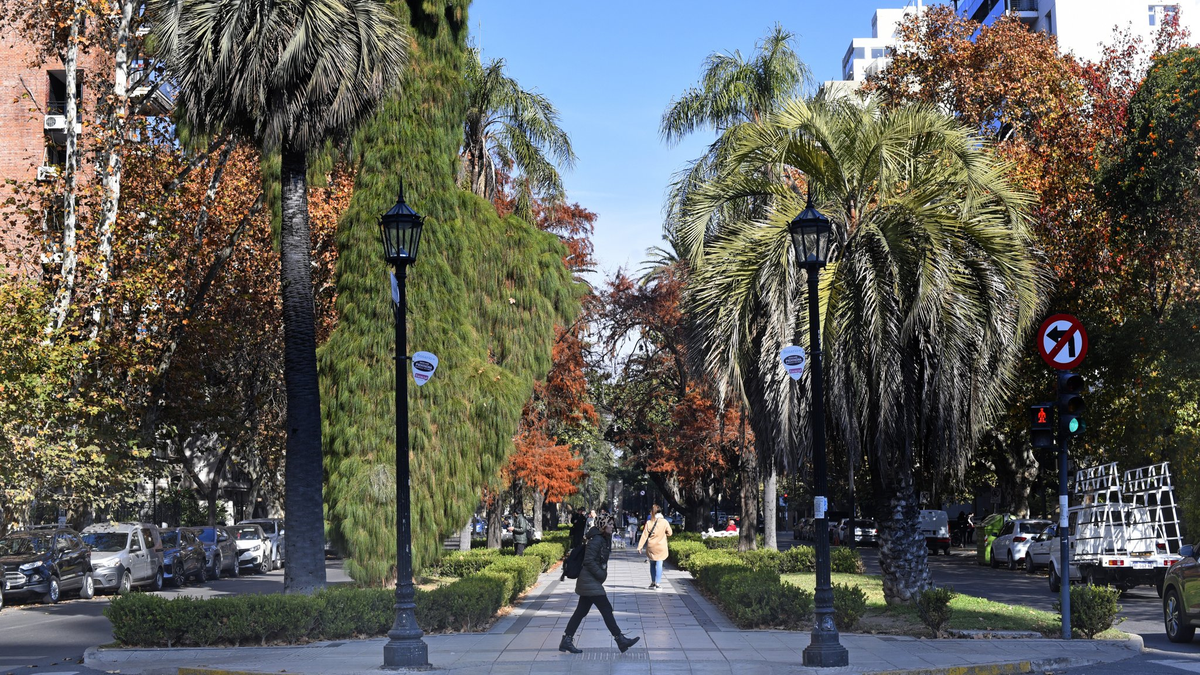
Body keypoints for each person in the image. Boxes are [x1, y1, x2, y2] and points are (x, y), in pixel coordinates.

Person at [559, 515, 641, 655]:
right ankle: (620, 639)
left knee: (581, 612)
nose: (612, 526)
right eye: (609, 524)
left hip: (590, 581)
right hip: (590, 581)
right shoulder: (596, 540)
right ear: (603, 526)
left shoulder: (601, 538)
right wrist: (601, 574)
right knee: (606, 609)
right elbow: (589, 561)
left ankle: (566, 640)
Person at [637, 504, 673, 590]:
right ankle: (658, 583)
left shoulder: (649, 523)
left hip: (651, 547)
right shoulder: (664, 522)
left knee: (652, 564)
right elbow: (670, 533)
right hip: (661, 547)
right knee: (659, 563)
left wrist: (640, 546)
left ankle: (653, 582)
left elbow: (644, 535)